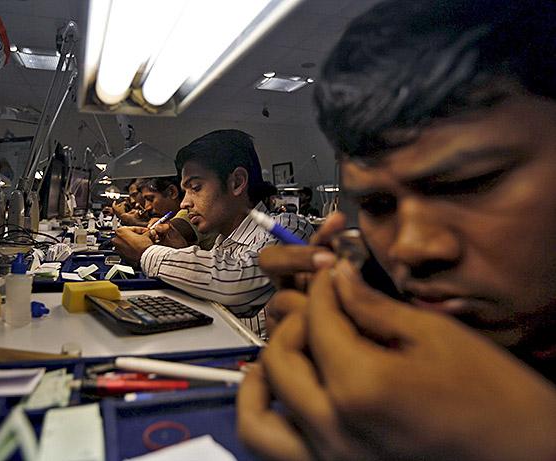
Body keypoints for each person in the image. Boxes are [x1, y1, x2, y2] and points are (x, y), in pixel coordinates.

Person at [237, 0, 556, 460]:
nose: (410, 247)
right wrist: (333, 346)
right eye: (377, 204)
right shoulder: (375, 282)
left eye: (470, 185)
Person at [112, 129, 313, 337]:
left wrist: (146, 252)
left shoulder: (291, 228)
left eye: (196, 187)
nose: (184, 202)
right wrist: (179, 252)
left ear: (236, 182)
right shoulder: (222, 242)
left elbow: (239, 283)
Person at [137, 176, 218, 249]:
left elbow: (143, 243)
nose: (147, 207)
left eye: (150, 199)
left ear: (172, 192)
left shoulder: (189, 214)